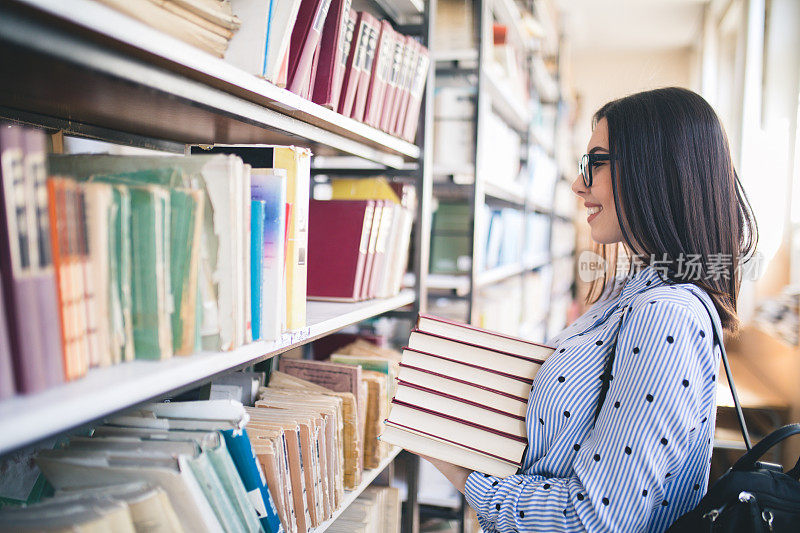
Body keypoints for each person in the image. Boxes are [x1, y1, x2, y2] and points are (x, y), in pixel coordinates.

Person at [419, 87, 759, 532]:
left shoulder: (665, 314)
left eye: (594, 163)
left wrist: (461, 469)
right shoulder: (636, 290)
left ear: (652, 171)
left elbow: (591, 521)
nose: (579, 184)